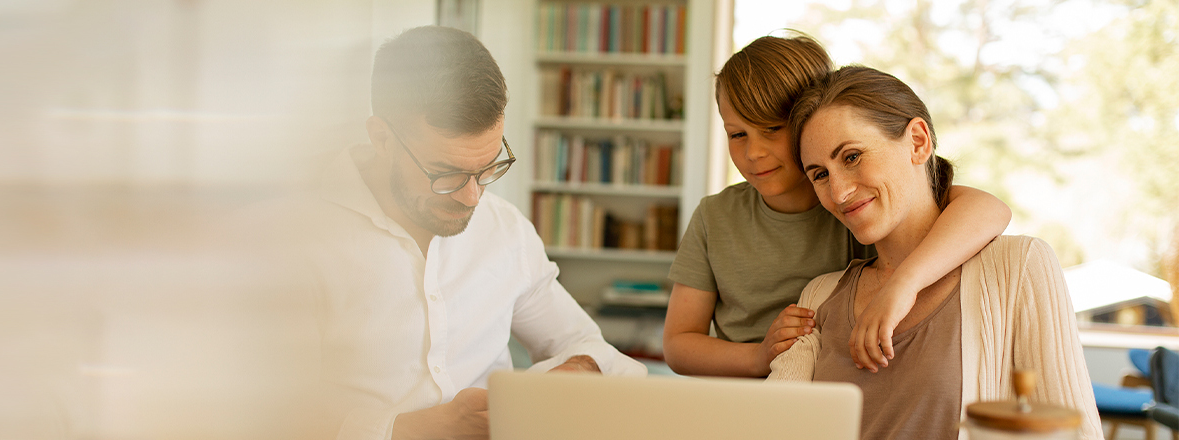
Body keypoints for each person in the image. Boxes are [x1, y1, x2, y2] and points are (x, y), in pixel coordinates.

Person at [308, 26, 646, 440]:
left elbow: (582, 343)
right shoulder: (295, 240)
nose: (472, 197)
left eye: (489, 167)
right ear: (381, 138)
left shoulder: (504, 229)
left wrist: (581, 366)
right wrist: (403, 430)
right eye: (447, 174)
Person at [769, 65, 1102, 439]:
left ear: (917, 142)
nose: (839, 191)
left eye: (851, 157)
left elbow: (1077, 433)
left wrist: (905, 282)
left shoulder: (1018, 268)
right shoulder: (820, 296)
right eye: (820, 174)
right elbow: (775, 426)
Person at [662, 34, 1012, 377]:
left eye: (771, 128)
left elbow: (989, 209)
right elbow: (678, 344)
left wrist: (904, 283)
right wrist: (758, 356)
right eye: (737, 134)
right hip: (745, 395)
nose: (753, 153)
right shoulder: (715, 216)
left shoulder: (857, 206)